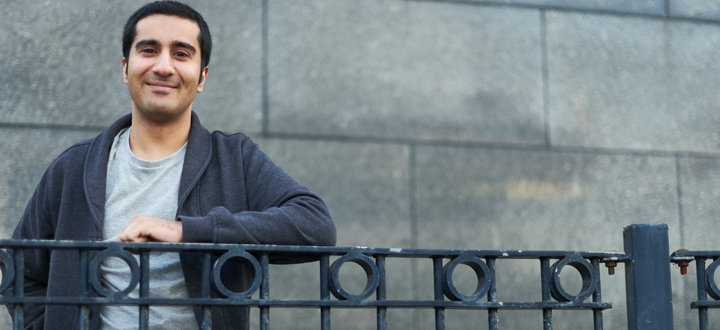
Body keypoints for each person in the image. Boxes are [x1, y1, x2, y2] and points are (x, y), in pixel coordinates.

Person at [5, 1, 336, 329]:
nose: (164, 66)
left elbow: (316, 226)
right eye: (149, 50)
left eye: (181, 53)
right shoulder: (73, 167)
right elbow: (21, 270)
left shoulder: (234, 158)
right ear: (125, 67)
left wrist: (185, 232)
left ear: (202, 76)